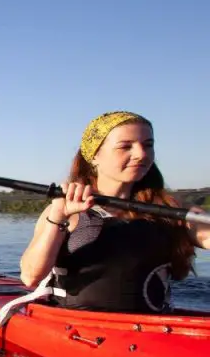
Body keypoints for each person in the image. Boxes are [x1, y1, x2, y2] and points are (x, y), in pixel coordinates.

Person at [18, 111, 210, 313]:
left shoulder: (172, 212)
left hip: (154, 330)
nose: (141, 154)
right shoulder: (64, 213)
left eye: (148, 145)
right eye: (125, 146)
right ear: (94, 156)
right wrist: (58, 215)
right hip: (78, 331)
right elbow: (31, 276)